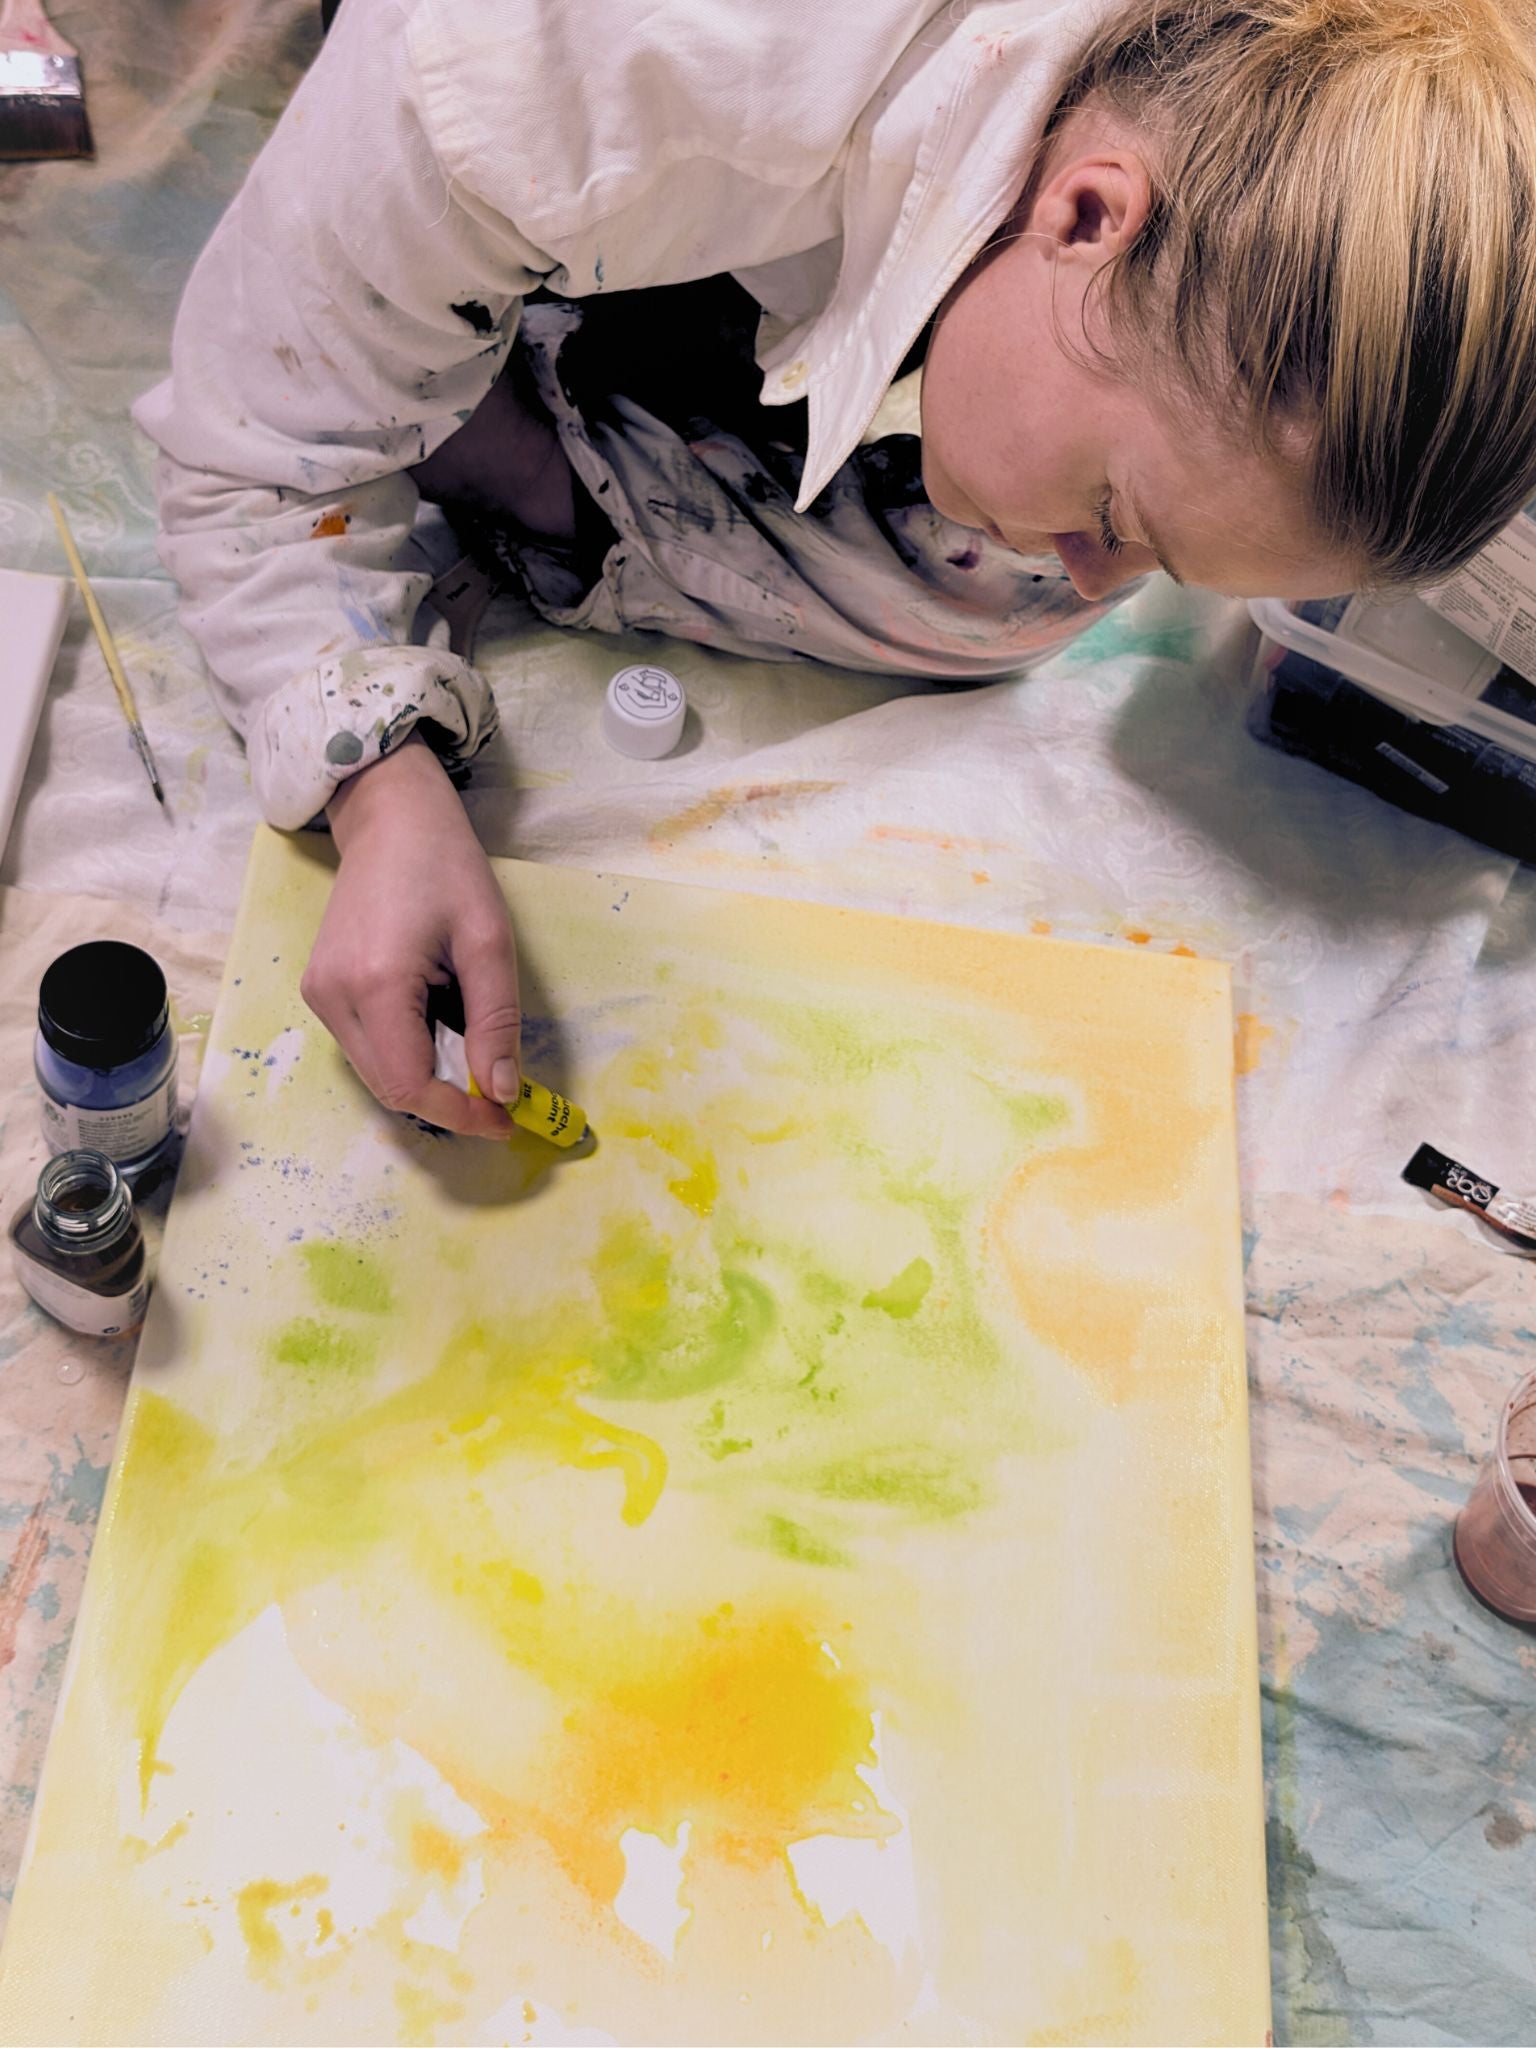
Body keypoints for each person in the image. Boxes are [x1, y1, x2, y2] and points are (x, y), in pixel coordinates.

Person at [136, 0, 1536, 1136]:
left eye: (1156, 561)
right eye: (1116, 512)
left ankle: (524, 439)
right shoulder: (567, 72)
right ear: (1086, 216)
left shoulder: (1276, 133)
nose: (1093, 580)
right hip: (568, 132)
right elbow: (254, 450)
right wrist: (383, 788)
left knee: (994, 593)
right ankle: (491, 431)